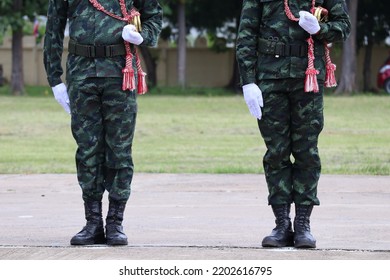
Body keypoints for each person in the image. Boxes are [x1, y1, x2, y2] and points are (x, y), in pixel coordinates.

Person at [43, 0, 162, 246]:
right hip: (81, 72)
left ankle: (115, 222)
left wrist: (141, 36)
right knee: (87, 150)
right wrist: (54, 78)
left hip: (119, 73)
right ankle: (93, 222)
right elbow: (54, 27)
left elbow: (154, 18)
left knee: (119, 149)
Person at [236, 0, 350, 248]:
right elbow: (246, 36)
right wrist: (248, 81)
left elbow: (343, 26)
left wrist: (320, 30)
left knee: (306, 152)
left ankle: (303, 224)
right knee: (276, 152)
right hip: (270, 79)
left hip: (307, 79)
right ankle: (281, 224)